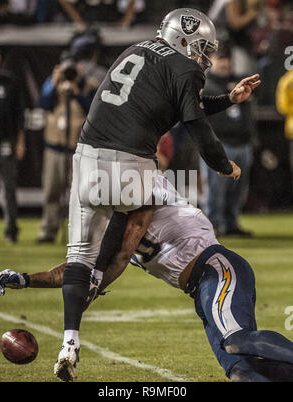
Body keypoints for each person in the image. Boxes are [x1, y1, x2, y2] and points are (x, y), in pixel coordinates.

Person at [40, 7, 260, 382]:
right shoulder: (185, 68)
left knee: (79, 257)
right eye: (201, 47)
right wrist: (223, 165)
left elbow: (179, 104)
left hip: (87, 157)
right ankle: (97, 282)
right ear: (183, 39)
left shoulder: (134, 50)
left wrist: (228, 99)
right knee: (127, 239)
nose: (205, 56)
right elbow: (195, 124)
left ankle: (69, 340)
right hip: (130, 161)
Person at [0, 175, 293, 383]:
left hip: (217, 268)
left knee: (237, 341)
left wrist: (91, 289)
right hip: (199, 290)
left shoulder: (140, 185)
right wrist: (25, 280)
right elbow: (76, 270)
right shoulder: (113, 217)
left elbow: (122, 255)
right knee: (241, 370)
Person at [37, 53, 97, 243]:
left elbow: (94, 110)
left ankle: (80, 233)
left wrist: (78, 93)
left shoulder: (88, 86)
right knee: (51, 191)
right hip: (54, 147)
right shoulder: (52, 84)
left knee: (80, 195)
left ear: (80, 68)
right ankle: (48, 231)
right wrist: (54, 83)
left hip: (79, 149)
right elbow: (43, 104)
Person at [200, 43, 256, 236]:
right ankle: (212, 226)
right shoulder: (205, 84)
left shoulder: (236, 83)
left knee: (237, 190)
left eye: (227, 59)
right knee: (215, 190)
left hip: (243, 143)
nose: (225, 63)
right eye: (220, 59)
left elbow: (248, 116)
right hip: (220, 143)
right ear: (211, 61)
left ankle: (231, 223)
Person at [0, 58, 25, 243]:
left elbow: (20, 114)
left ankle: (11, 230)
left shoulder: (9, 82)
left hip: (5, 141)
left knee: (9, 188)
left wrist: (20, 142)